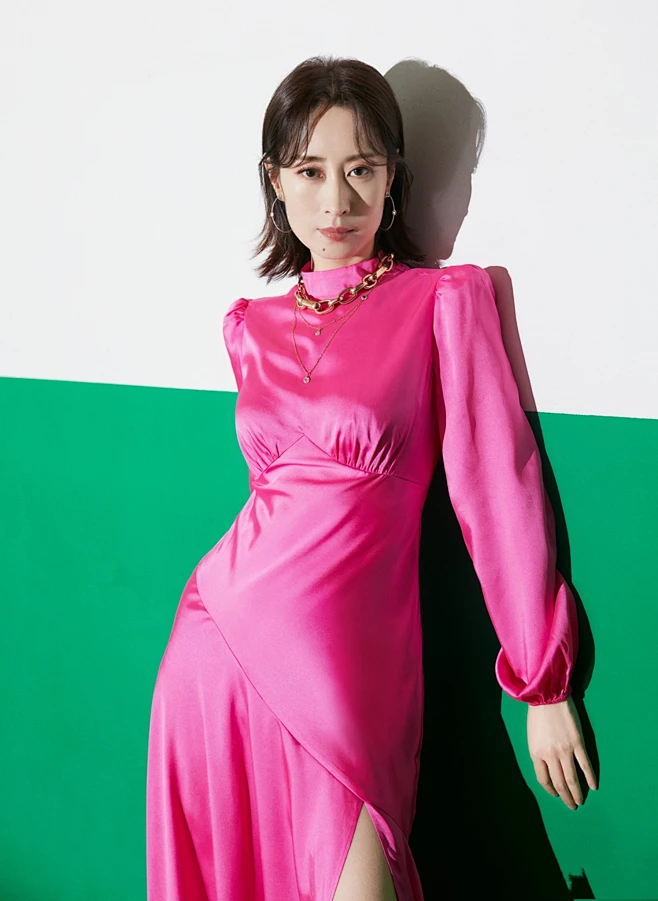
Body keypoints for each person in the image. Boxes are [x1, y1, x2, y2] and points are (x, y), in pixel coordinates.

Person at [146, 55, 597, 901]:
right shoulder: (249, 327)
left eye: (360, 169)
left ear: (394, 177)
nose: (336, 200)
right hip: (217, 646)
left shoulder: (442, 302)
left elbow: (498, 491)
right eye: (310, 171)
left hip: (350, 674)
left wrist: (543, 681)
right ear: (275, 183)